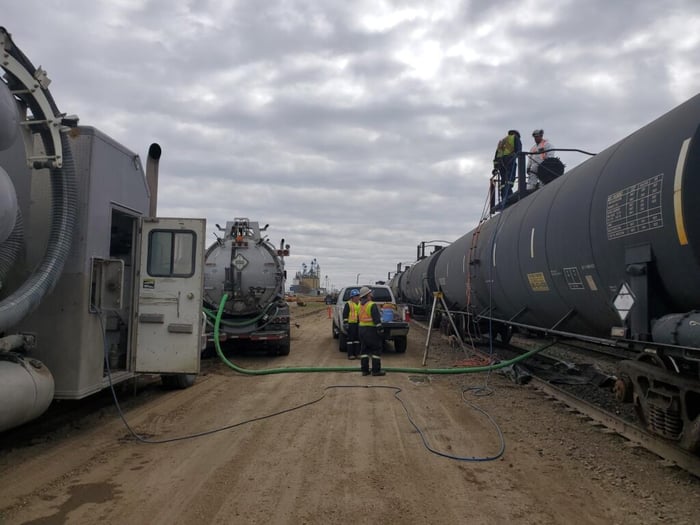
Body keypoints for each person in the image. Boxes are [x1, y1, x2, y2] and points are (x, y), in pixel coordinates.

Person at [357, 286, 385, 376]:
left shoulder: (360, 305)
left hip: (361, 330)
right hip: (371, 330)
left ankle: (364, 370)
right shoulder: (371, 304)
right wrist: (380, 329)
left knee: (364, 351)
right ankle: (376, 371)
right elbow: (376, 319)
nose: (371, 294)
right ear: (368, 295)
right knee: (376, 350)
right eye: (370, 293)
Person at [492, 129, 522, 201]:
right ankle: (508, 194)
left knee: (503, 181)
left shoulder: (502, 141)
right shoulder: (515, 138)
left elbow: (496, 155)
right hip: (510, 160)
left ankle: (504, 196)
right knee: (510, 179)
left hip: (501, 163)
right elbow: (519, 151)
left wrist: (496, 167)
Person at [342, 288, 361, 360]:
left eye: (358, 296)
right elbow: (345, 314)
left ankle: (357, 354)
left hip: (358, 324)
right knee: (350, 340)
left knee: (358, 339)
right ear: (352, 297)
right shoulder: (348, 304)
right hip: (351, 324)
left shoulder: (360, 303)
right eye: (356, 296)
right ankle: (350, 354)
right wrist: (346, 323)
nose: (357, 297)